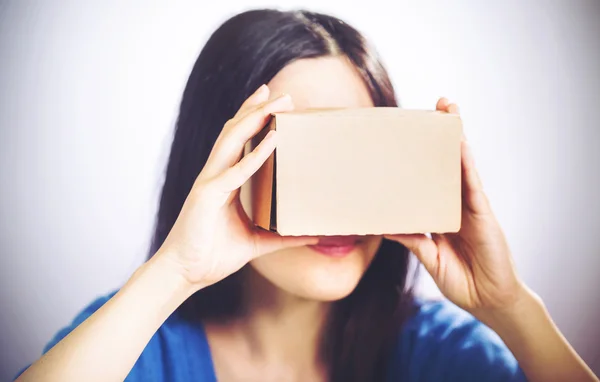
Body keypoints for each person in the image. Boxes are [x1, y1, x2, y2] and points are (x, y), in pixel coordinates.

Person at [15, 9, 598, 382]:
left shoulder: (436, 353)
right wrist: (178, 270)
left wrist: (510, 307)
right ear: (223, 162)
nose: (340, 202)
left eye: (362, 150)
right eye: (307, 153)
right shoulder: (138, 347)